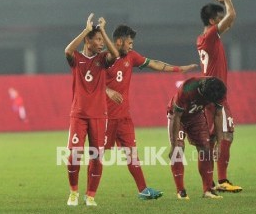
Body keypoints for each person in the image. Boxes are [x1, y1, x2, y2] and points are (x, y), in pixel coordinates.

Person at [104, 24, 197, 199]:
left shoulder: (131, 57)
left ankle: (143, 190)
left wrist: (179, 69)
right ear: (118, 41)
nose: (131, 46)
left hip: (124, 117)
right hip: (105, 117)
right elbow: (89, 82)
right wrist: (107, 90)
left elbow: (154, 63)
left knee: (132, 153)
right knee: (97, 153)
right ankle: (85, 192)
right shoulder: (104, 59)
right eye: (129, 42)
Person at [65, 14, 119, 207]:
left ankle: (90, 196)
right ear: (88, 40)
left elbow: (116, 54)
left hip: (98, 115)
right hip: (78, 114)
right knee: (74, 155)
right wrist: (86, 30)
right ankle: (73, 192)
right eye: (97, 39)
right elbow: (68, 50)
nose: (101, 43)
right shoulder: (77, 59)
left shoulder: (103, 59)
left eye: (101, 40)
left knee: (96, 156)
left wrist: (103, 30)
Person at [196, 0, 242, 192]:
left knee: (213, 139)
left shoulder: (203, 38)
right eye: (220, 18)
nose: (226, 22)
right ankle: (221, 181)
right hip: (216, 97)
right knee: (225, 136)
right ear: (213, 21)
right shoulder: (211, 36)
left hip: (211, 94)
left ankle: (211, 183)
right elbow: (232, 16)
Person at [168, 76, 227, 199]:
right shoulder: (188, 87)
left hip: (196, 117)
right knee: (178, 150)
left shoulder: (219, 89)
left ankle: (208, 190)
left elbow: (217, 115)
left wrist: (218, 144)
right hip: (178, 116)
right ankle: (181, 191)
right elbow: (176, 116)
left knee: (206, 150)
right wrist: (173, 145)